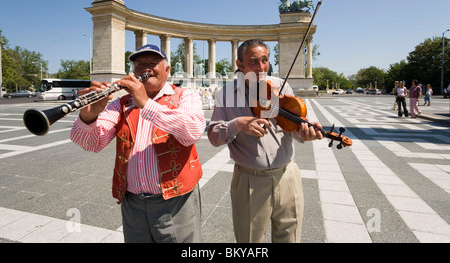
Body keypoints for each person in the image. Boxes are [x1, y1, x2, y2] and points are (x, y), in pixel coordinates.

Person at [70, 44, 205, 243]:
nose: (146, 69)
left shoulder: (184, 96)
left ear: (167, 71)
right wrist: (88, 116)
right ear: (133, 72)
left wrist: (146, 104)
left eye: (153, 64)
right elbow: (92, 143)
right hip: (132, 203)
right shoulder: (120, 103)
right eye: (140, 65)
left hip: (176, 202)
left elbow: (192, 132)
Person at [207, 39, 323, 243]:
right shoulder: (225, 94)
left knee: (291, 237)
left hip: (288, 176)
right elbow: (214, 136)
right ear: (240, 64)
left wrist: (303, 132)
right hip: (249, 181)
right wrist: (237, 124)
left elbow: (292, 129)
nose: (261, 67)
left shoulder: (281, 86)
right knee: (249, 242)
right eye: (253, 61)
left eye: (265, 60)